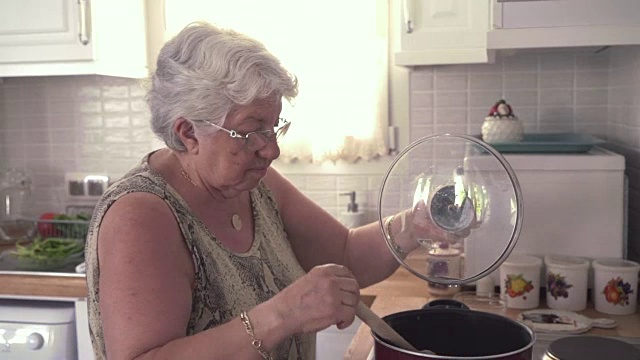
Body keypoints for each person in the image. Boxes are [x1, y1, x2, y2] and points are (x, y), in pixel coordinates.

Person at [85, 21, 446, 360]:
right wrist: (282, 315)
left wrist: (415, 224)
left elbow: (347, 255)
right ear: (188, 132)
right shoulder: (141, 214)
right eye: (251, 131)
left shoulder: (255, 186)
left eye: (274, 127)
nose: (271, 150)